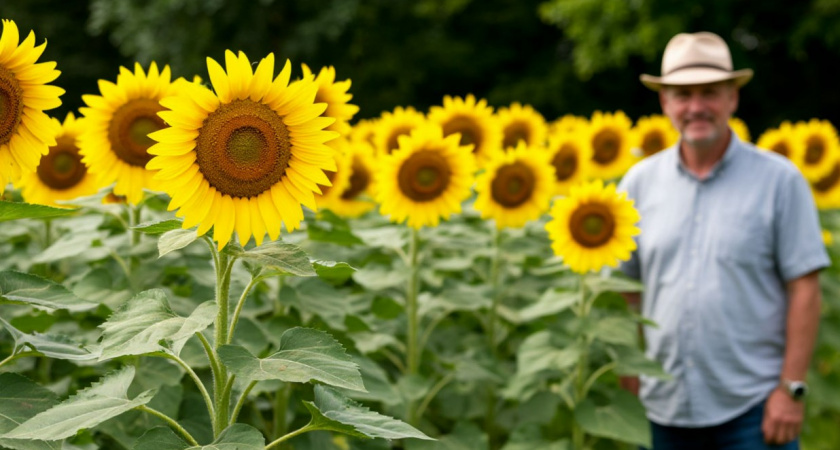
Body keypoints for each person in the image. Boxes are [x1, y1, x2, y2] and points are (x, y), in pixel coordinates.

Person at [618, 32, 829, 449]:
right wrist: (628, 371)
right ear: (664, 103)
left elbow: (804, 288)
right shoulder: (637, 184)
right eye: (682, 95)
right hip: (662, 407)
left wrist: (792, 389)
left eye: (709, 93)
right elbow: (626, 290)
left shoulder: (779, 181)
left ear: (733, 98)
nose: (696, 107)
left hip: (753, 410)